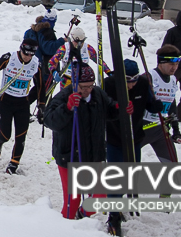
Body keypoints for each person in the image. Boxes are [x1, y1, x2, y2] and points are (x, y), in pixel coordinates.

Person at [44, 65, 128, 219]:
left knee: (101, 195)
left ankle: (83, 214)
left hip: (94, 155)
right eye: (83, 87)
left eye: (90, 86)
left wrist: (119, 108)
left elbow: (109, 110)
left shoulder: (98, 94)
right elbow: (49, 120)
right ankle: (65, 227)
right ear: (75, 84)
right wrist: (67, 108)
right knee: (73, 200)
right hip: (69, 156)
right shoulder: (63, 96)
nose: (87, 90)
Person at [103, 58, 163, 236]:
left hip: (135, 136)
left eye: (134, 81)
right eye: (127, 81)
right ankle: (113, 215)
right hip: (114, 137)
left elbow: (150, 104)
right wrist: (117, 109)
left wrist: (156, 106)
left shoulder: (143, 84)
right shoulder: (109, 84)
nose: (131, 85)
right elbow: (103, 109)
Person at [0, 38, 42, 174]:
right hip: (6, 101)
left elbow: (40, 85)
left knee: (21, 136)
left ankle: (13, 164)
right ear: (21, 49)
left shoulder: (35, 63)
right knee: (6, 135)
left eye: (31, 54)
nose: (28, 57)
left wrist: (42, 105)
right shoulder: (9, 58)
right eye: (26, 53)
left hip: (23, 103)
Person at [139, 44, 181, 163]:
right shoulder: (149, 77)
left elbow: (172, 105)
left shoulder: (173, 80)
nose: (174, 68)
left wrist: (176, 130)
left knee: (172, 163)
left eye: (177, 64)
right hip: (143, 127)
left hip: (160, 129)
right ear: (161, 63)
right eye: (171, 64)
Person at [24, 9, 66, 96]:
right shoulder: (47, 32)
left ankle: (25, 105)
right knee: (44, 93)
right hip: (46, 68)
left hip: (34, 64)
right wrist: (61, 41)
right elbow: (49, 49)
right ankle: (28, 106)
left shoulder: (33, 30)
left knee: (38, 89)